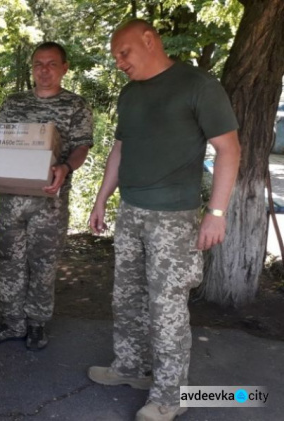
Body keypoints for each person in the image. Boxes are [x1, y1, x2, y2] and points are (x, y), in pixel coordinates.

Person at [87, 19, 240, 421]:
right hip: (131, 211)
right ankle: (130, 367)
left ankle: (171, 396)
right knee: (128, 297)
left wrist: (217, 213)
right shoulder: (129, 94)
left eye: (125, 52)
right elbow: (120, 149)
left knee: (166, 308)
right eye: (115, 56)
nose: (120, 62)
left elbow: (229, 150)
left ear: (149, 40)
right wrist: (101, 199)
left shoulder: (198, 86)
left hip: (175, 217)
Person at [0, 42, 93, 351]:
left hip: (50, 200)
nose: (44, 70)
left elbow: (82, 145)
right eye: (38, 64)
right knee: (9, 260)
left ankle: (37, 324)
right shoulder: (14, 102)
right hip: (12, 199)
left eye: (52, 64)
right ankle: (12, 322)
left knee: (44, 263)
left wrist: (65, 168)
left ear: (64, 68)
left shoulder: (75, 105)